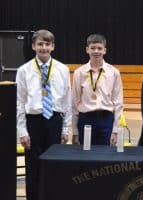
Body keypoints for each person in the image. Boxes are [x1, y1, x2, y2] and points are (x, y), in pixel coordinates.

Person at [16, 29, 72, 200]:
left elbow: (67, 100)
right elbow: (19, 102)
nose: (44, 48)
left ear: (53, 46)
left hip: (54, 120)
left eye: (47, 44)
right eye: (40, 44)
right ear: (33, 46)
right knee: (33, 166)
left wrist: (65, 129)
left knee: (54, 165)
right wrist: (22, 131)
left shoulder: (62, 69)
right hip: (34, 121)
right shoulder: (24, 70)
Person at [72, 34, 123, 146]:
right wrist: (75, 131)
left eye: (99, 48)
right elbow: (74, 103)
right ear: (87, 50)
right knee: (86, 155)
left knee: (105, 156)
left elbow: (118, 103)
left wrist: (115, 130)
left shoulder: (114, 72)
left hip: (106, 119)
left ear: (105, 50)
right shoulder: (79, 72)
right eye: (93, 48)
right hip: (86, 119)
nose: (96, 51)